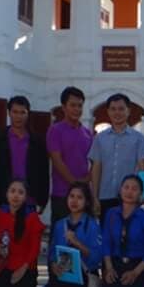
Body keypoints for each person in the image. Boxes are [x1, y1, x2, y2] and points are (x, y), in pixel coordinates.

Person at [95, 175, 144, 287]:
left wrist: (135, 272)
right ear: (120, 190)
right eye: (126, 187)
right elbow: (106, 242)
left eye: (134, 189)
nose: (129, 192)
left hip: (137, 266)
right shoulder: (111, 214)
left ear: (141, 193)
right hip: (116, 265)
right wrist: (109, 268)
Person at [89, 94, 144, 221]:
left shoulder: (138, 138)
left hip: (129, 197)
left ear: (128, 111)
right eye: (113, 109)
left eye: (121, 109)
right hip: (105, 196)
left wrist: (143, 194)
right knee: (107, 235)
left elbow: (143, 168)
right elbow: (96, 168)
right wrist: (94, 197)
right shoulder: (100, 138)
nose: (117, 112)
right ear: (108, 111)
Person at [0, 179, 46, 287]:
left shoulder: (32, 217)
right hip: (5, 264)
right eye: (12, 191)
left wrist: (22, 269)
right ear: (6, 194)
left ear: (25, 197)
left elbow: (34, 249)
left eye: (20, 192)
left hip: (26, 266)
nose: (16, 195)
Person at [0, 95, 50, 210]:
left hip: (30, 199)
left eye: (22, 112)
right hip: (4, 199)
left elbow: (43, 172)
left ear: (28, 114)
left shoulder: (37, 141)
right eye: (15, 112)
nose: (18, 116)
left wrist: (43, 199)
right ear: (9, 113)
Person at [46, 182, 102, 287]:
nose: (74, 201)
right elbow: (52, 253)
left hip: (83, 274)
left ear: (87, 202)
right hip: (64, 271)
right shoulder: (60, 224)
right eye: (72, 196)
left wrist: (78, 243)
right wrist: (54, 264)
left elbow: (96, 258)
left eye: (79, 197)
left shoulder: (92, 225)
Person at [46, 86, 93, 227]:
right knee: (60, 239)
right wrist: (75, 185)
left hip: (83, 195)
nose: (77, 109)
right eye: (73, 105)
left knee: (81, 238)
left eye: (80, 106)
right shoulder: (55, 130)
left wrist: (85, 182)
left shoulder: (87, 133)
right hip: (62, 194)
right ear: (64, 107)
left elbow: (94, 162)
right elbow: (57, 160)